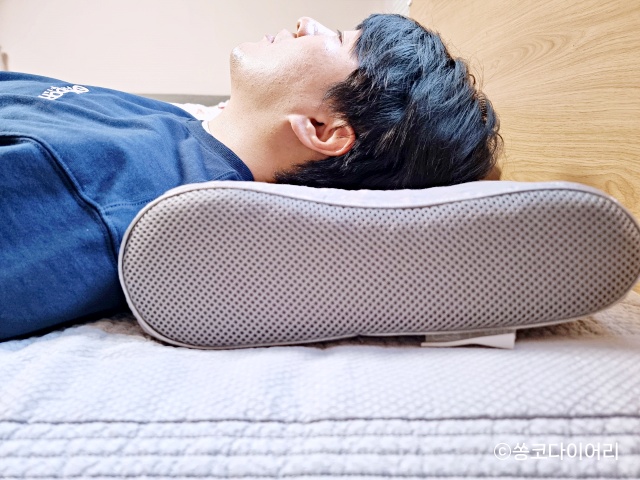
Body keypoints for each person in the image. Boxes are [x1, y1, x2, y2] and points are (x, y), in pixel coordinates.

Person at [0, 14, 501, 341]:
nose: (306, 23)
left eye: (337, 39)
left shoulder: (107, 192)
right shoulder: (176, 128)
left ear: (323, 129)